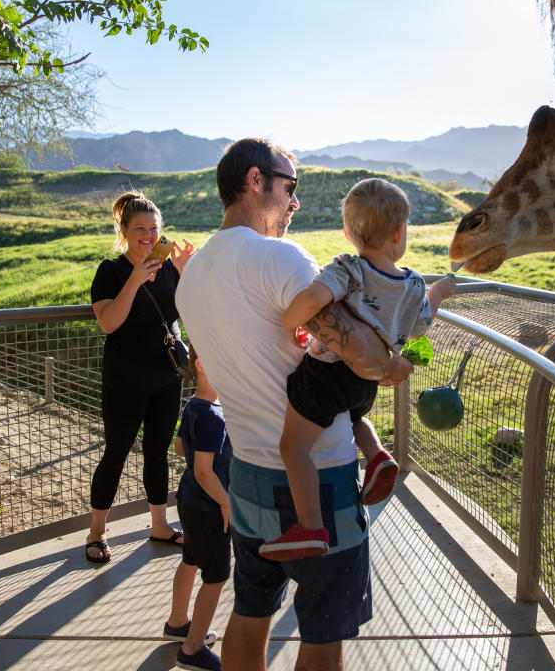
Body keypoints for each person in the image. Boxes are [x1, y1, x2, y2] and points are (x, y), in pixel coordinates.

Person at [176, 138, 413, 671]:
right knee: (323, 633)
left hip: (250, 473)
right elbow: (358, 350)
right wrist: (394, 360)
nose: (295, 202)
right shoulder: (279, 258)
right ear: (256, 180)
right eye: (291, 186)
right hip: (320, 477)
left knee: (250, 612)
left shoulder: (190, 278)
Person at [261, 178, 457, 560]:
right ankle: (378, 455)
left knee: (293, 446)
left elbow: (317, 297)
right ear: (400, 233)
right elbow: (422, 322)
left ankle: (311, 526)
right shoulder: (415, 283)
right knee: (352, 417)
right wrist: (440, 291)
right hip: (367, 383)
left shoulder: (349, 269)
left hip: (327, 375)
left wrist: (291, 321)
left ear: (348, 233)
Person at [85, 191, 196, 563]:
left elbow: (192, 311)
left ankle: (159, 525)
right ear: (124, 231)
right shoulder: (110, 271)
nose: (149, 236)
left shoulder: (167, 270)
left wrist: (187, 271)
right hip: (125, 382)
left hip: (167, 379)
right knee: (115, 454)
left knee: (157, 454)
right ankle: (97, 532)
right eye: (140, 229)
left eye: (154, 229)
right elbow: (109, 322)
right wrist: (134, 279)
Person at [164, 344, 232, 671]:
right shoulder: (213, 417)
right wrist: (226, 502)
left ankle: (178, 622)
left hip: (188, 501)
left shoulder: (194, 406)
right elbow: (205, 472)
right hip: (209, 509)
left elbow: (180, 448)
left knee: (190, 559)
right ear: (204, 365)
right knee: (216, 576)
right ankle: (192, 648)